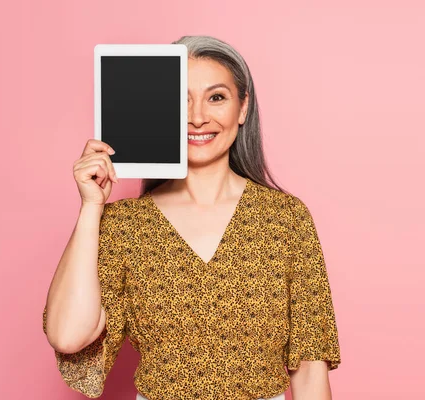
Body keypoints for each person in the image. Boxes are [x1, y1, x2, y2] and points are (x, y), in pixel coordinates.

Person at [42, 35, 341, 400]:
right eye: (180, 100)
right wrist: (91, 207)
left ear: (243, 108)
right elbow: (68, 335)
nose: (198, 117)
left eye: (216, 97)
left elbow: (310, 372)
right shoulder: (125, 225)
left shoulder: (285, 220)